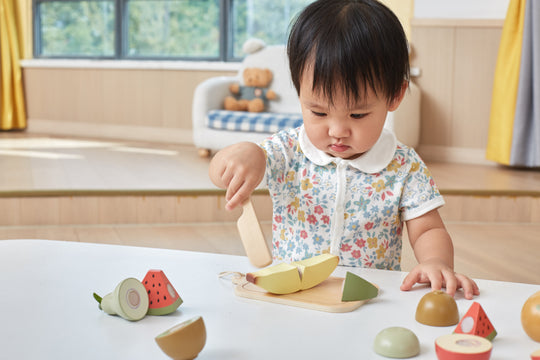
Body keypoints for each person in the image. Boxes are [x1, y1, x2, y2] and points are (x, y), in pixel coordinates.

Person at [209, 0, 479, 299]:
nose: (337, 131)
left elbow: (427, 230)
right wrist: (244, 153)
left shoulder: (404, 165)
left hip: (367, 297)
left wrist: (436, 262)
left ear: (395, 96)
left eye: (357, 115)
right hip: (292, 295)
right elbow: (220, 172)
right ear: (299, 91)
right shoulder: (285, 151)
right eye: (319, 113)